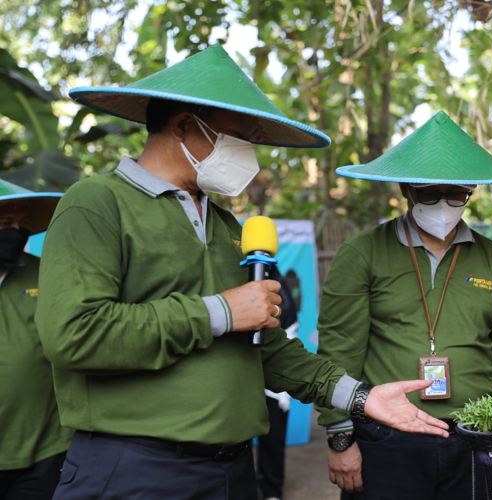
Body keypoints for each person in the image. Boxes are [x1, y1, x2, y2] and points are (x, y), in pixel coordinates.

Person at [35, 44, 449, 500]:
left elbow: (268, 350)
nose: (249, 154)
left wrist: (359, 396)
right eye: (239, 137)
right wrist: (220, 311)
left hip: (231, 470)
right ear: (184, 126)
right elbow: (74, 333)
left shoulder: (228, 227)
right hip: (135, 467)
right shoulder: (97, 203)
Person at [317, 111, 492, 500]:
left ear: (471, 191)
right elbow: (339, 348)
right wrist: (339, 436)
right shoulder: (363, 252)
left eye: (456, 194)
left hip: (475, 438)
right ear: (405, 189)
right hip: (386, 438)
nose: (443, 203)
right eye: (428, 192)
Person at [0, 181, 71, 500]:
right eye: (5, 223)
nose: (15, 232)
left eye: (23, 225)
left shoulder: (45, 273)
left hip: (44, 448)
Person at [257, 269, 300, 500]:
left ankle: (272, 491)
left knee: (273, 438)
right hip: (241, 374)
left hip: (273, 377)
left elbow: (289, 325)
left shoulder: (278, 284)